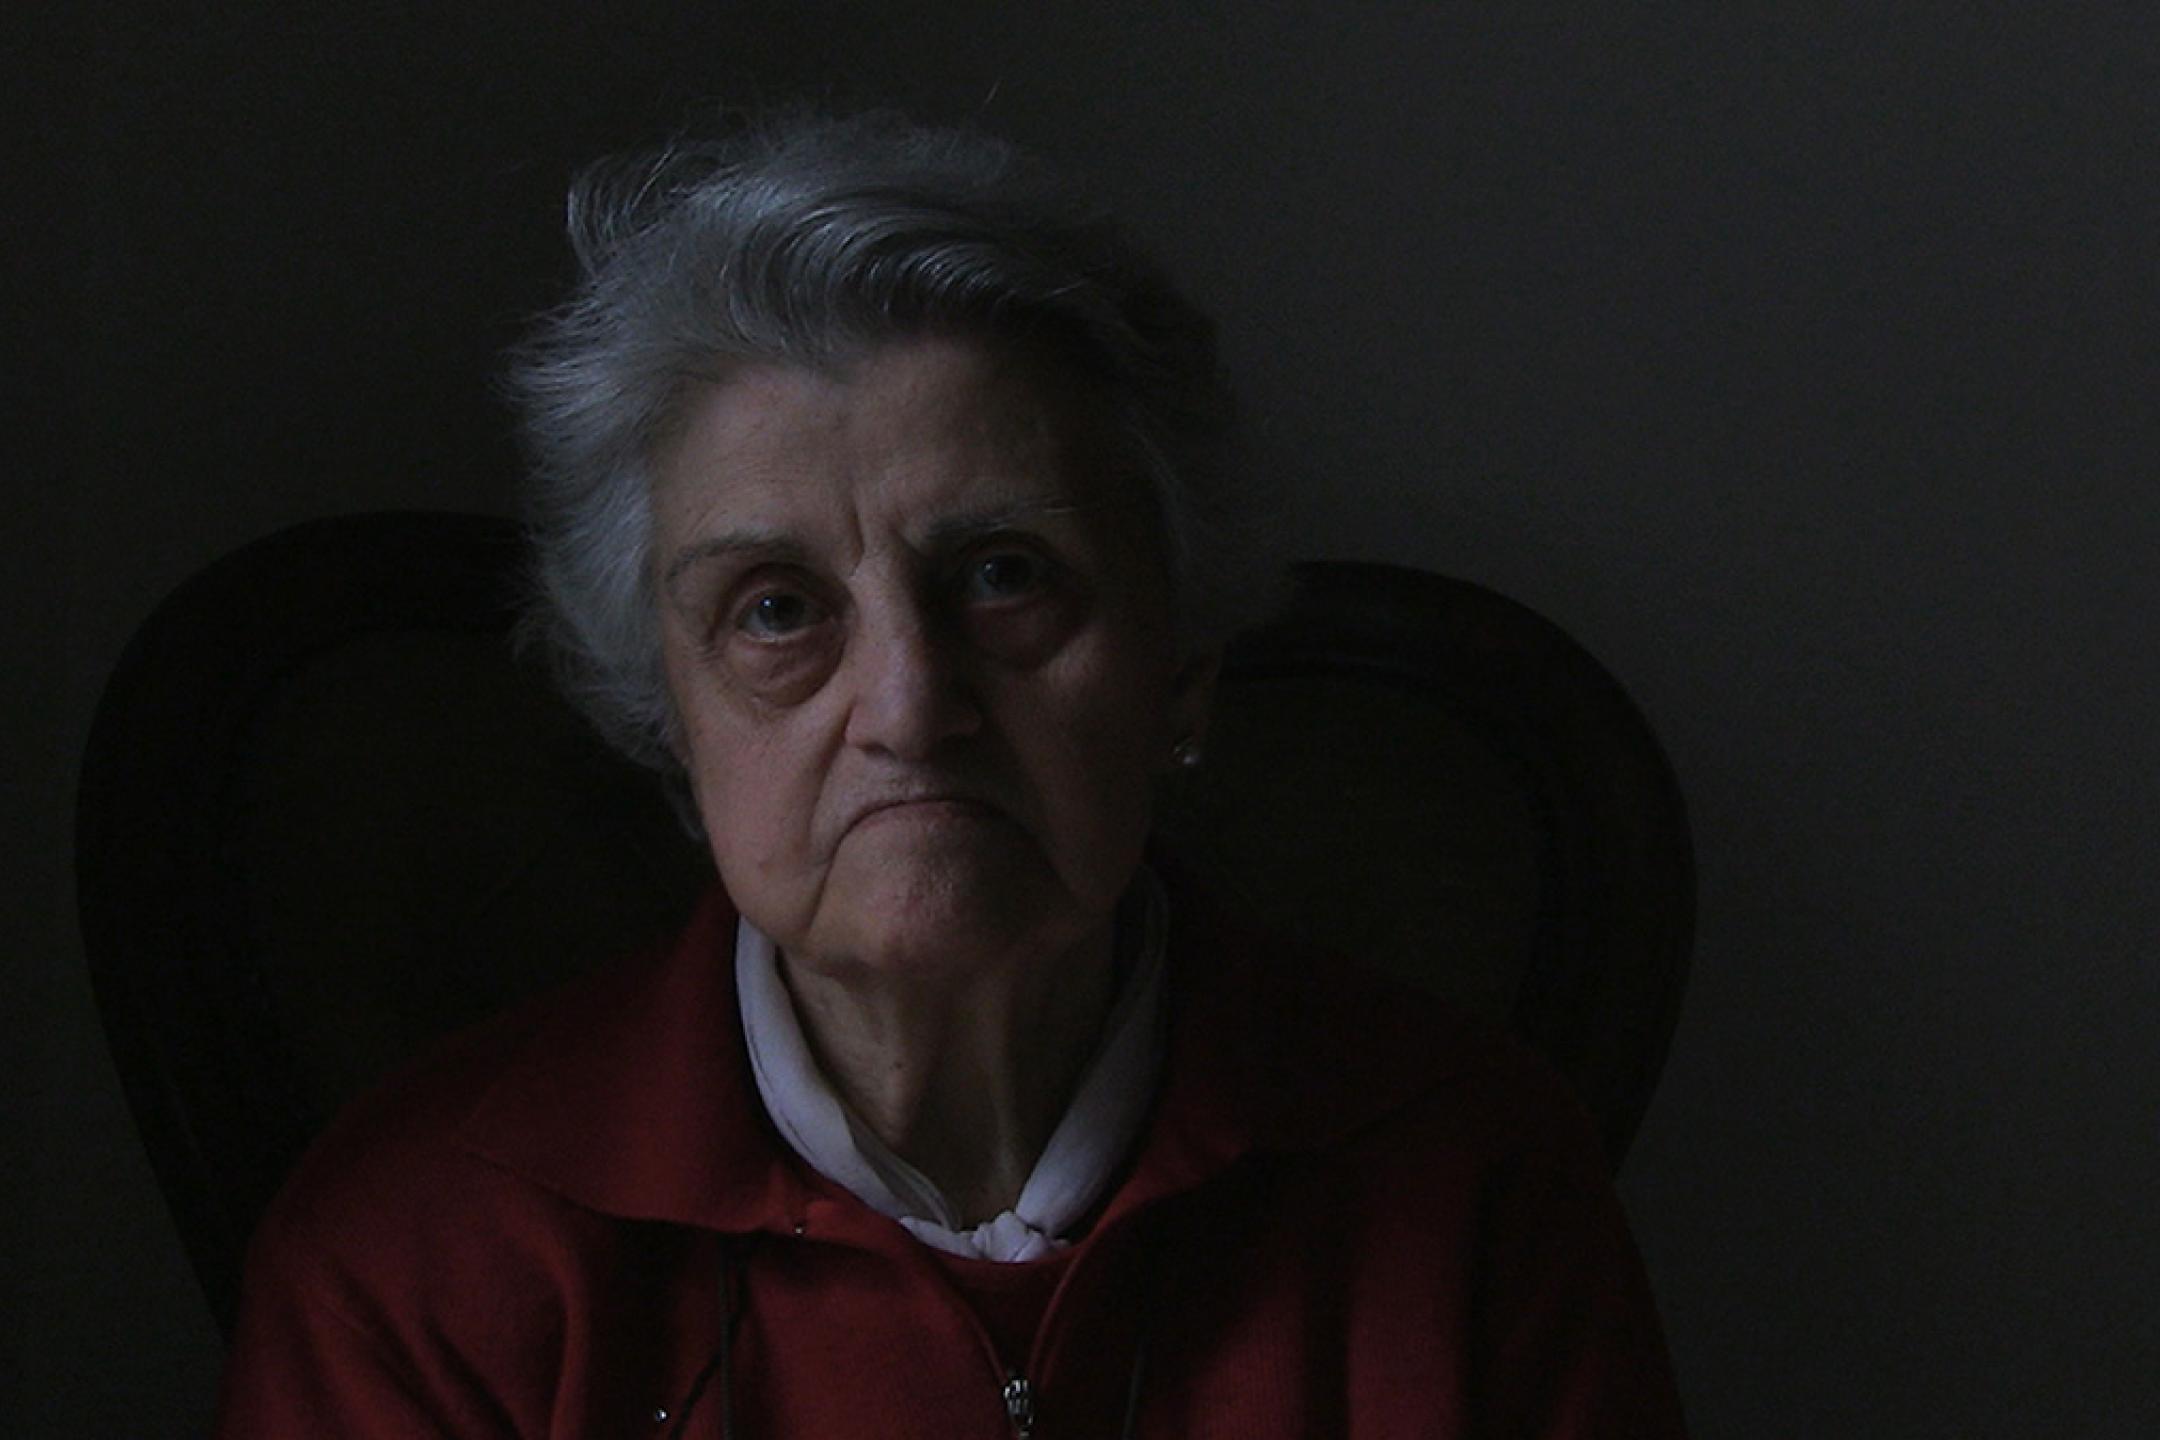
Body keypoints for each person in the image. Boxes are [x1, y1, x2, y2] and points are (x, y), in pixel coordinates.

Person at [214, 110, 1687, 1438]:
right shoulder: (419, 1258)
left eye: (1003, 577)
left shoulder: (1469, 1180)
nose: (910, 710)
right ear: (669, 713)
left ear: (1179, 669)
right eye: (777, 610)